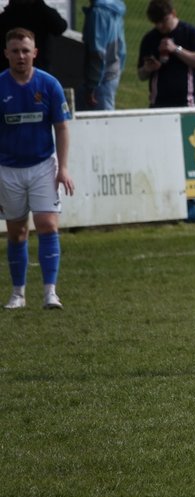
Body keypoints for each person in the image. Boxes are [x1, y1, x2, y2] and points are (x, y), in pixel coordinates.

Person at [0, 28, 74, 310]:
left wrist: (63, 168)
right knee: (17, 232)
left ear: (35, 53)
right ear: (6, 53)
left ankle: (50, 293)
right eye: (15, 50)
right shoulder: (0, 86)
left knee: (47, 224)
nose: (21, 55)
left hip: (43, 165)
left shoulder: (49, 85)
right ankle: (18, 294)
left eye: (25, 50)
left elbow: (62, 128)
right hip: (7, 169)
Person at [137, 0, 195, 108]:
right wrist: (148, 69)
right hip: (158, 104)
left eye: (164, 21)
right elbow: (141, 75)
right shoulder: (149, 38)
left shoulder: (188, 32)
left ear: (173, 14)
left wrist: (176, 49)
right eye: (156, 23)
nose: (160, 26)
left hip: (186, 103)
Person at [78, 0, 127, 111]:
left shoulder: (98, 12)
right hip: (111, 73)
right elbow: (122, 49)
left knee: (101, 121)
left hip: (102, 78)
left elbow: (97, 52)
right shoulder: (114, 9)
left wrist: (92, 85)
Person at [0, 0, 66, 74]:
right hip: (10, 70)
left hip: (39, 68)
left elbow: (60, 27)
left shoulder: (42, 13)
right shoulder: (6, 17)